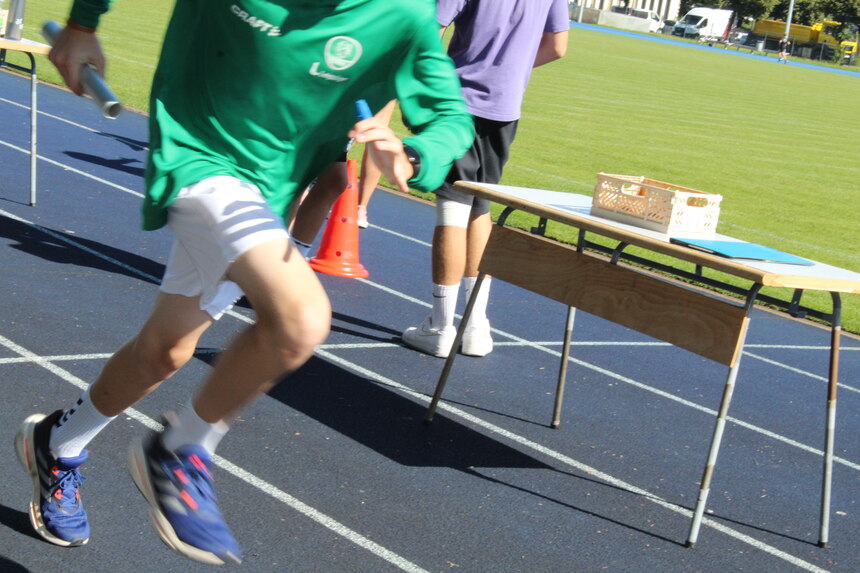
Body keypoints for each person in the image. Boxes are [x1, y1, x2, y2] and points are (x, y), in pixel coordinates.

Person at [16, 0, 473, 565]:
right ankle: (182, 449)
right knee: (301, 320)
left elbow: (451, 116)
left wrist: (416, 149)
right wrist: (84, 23)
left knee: (164, 352)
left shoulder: (400, 13)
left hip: (272, 191)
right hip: (197, 154)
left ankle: (58, 444)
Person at [402, 0, 569, 358]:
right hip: (506, 108)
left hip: (458, 103)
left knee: (452, 206)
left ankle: (441, 326)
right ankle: (475, 325)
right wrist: (512, 70)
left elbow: (429, 28)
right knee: (480, 207)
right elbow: (557, 45)